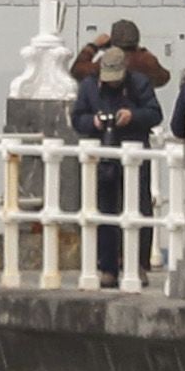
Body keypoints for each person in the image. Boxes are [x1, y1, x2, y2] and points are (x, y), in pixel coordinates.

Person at [72, 25, 167, 283]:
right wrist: (94, 122)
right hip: (103, 151)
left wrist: (132, 116)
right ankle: (108, 268)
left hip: (135, 151)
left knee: (141, 208)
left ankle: (138, 265)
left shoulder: (138, 83)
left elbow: (155, 114)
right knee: (105, 210)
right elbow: (77, 118)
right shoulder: (91, 86)